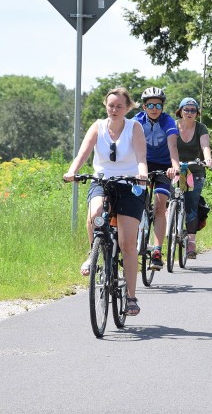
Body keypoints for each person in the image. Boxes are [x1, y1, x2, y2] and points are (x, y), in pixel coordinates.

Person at [63, 87, 147, 316]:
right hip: (102, 181)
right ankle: (94, 252)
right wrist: (72, 171)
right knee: (95, 212)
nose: (114, 109)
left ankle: (131, 297)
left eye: (119, 106)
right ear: (105, 106)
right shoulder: (97, 127)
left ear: (128, 108)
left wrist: (142, 175)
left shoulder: (134, 127)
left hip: (130, 184)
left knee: (129, 244)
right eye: (111, 105)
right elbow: (83, 154)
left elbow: (141, 157)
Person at [132, 87, 180, 269]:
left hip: (163, 166)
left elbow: (173, 146)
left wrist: (174, 167)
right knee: (134, 202)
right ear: (144, 107)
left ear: (162, 106)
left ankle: (158, 250)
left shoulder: (168, 121)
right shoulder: (136, 121)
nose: (154, 108)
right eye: (150, 105)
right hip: (141, 164)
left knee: (160, 204)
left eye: (158, 105)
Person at [174, 97, 212, 259]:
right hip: (175, 171)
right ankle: (171, 224)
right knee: (168, 198)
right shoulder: (173, 127)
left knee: (191, 204)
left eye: (193, 110)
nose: (189, 113)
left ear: (197, 113)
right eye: (186, 109)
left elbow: (205, 146)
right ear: (180, 111)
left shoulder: (201, 128)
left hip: (195, 172)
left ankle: (191, 243)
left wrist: (208, 158)